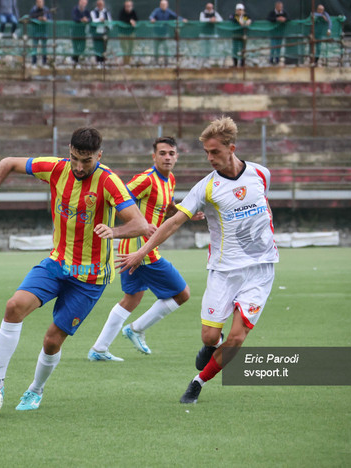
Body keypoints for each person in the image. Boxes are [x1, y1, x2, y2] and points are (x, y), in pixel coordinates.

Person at [0, 127, 149, 412]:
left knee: (51, 340)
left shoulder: (109, 182)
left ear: (100, 155)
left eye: (87, 161)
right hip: (57, 262)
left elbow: (140, 224)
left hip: (90, 277)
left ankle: (35, 390)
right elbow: (7, 162)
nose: (79, 166)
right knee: (14, 307)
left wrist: (115, 230)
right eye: (75, 158)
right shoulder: (56, 169)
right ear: (69, 151)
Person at [117, 116, 279, 405]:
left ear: (232, 148)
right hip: (223, 271)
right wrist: (141, 251)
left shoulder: (261, 174)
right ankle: (211, 349)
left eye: (215, 151)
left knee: (237, 339)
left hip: (260, 270)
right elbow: (174, 222)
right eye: (206, 152)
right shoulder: (205, 187)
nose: (210, 158)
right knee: (209, 336)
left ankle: (197, 382)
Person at [89, 137, 200, 362]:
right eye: (162, 153)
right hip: (141, 251)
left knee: (132, 298)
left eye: (171, 153)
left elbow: (164, 209)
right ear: (154, 157)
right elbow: (118, 200)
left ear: (177, 156)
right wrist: (139, 224)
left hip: (138, 250)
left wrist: (184, 213)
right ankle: (136, 329)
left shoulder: (169, 181)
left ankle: (99, 349)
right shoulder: (146, 180)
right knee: (182, 293)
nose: (167, 157)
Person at [148, 0, 187, 65]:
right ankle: (156, 61)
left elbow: (175, 16)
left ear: (167, 5)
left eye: (165, 5)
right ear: (160, 5)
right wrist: (152, 19)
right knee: (156, 48)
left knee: (166, 48)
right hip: (156, 33)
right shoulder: (157, 10)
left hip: (164, 33)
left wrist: (182, 19)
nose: (163, 6)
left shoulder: (168, 11)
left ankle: (166, 61)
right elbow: (151, 16)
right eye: (162, 5)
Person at [28, 0, 52, 67]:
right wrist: (37, 19)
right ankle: (34, 62)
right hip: (35, 31)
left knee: (44, 47)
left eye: (41, 2)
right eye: (38, 2)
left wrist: (45, 20)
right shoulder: (33, 10)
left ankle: (44, 62)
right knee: (34, 47)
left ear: (43, 2)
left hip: (44, 31)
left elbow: (50, 20)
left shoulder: (46, 10)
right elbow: (30, 19)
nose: (40, 3)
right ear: (36, 3)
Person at [90, 0, 111, 66]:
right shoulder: (93, 12)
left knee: (104, 47)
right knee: (97, 47)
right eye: (99, 4)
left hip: (104, 33)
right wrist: (99, 20)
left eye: (101, 4)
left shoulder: (106, 13)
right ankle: (98, 61)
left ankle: (103, 62)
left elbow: (110, 22)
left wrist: (106, 23)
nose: (100, 6)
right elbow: (92, 21)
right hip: (96, 33)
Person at [229, 3, 251, 67]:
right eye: (238, 10)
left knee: (243, 49)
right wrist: (239, 20)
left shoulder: (246, 16)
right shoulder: (233, 15)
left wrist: (249, 21)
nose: (239, 11)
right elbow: (232, 19)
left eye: (241, 10)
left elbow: (251, 19)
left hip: (243, 35)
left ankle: (242, 63)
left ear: (243, 10)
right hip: (235, 35)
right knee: (235, 49)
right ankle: (235, 64)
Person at [71, 0, 91, 66]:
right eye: (82, 3)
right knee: (75, 47)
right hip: (75, 31)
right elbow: (74, 18)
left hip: (83, 32)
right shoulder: (75, 9)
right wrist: (81, 20)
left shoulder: (87, 11)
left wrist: (87, 20)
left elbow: (90, 18)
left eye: (85, 3)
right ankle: (75, 61)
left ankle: (75, 58)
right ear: (79, 2)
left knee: (83, 47)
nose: (83, 4)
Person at [117, 1, 137, 66]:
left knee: (131, 48)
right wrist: (129, 21)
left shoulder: (133, 12)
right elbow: (121, 19)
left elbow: (136, 20)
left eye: (129, 6)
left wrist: (133, 21)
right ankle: (126, 62)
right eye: (126, 6)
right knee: (125, 48)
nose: (128, 8)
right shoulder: (122, 12)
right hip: (122, 33)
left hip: (131, 33)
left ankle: (129, 61)